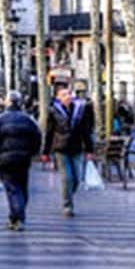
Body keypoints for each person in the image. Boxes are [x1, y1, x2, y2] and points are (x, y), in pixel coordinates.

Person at [0, 90, 42, 231]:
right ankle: (15, 216)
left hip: (5, 159)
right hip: (23, 158)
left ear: (7, 102)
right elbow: (37, 137)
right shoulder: (28, 119)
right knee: (22, 187)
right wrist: (32, 153)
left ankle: (18, 216)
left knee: (12, 188)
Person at [43, 85, 95, 217]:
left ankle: (68, 194)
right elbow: (49, 132)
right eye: (64, 95)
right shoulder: (53, 111)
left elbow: (86, 131)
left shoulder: (80, 110)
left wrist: (89, 149)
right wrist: (45, 152)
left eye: (69, 94)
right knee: (67, 178)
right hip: (61, 148)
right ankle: (67, 205)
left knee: (77, 178)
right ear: (58, 98)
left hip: (77, 147)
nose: (68, 97)